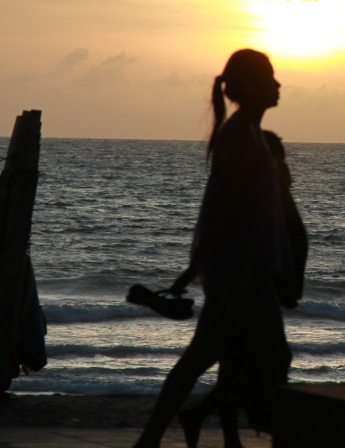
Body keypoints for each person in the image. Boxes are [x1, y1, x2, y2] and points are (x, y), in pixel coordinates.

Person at [132, 49, 293, 448]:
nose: (278, 85)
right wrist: (198, 266)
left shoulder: (249, 132)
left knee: (207, 356)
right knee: (270, 358)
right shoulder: (240, 135)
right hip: (240, 272)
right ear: (251, 86)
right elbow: (222, 208)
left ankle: (149, 440)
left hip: (244, 269)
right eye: (270, 78)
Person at [177, 130, 309, 448]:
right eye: (276, 158)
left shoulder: (275, 184)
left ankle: (210, 424)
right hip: (255, 282)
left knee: (237, 364)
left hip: (270, 280)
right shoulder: (262, 188)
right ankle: (227, 432)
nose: (281, 164)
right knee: (246, 362)